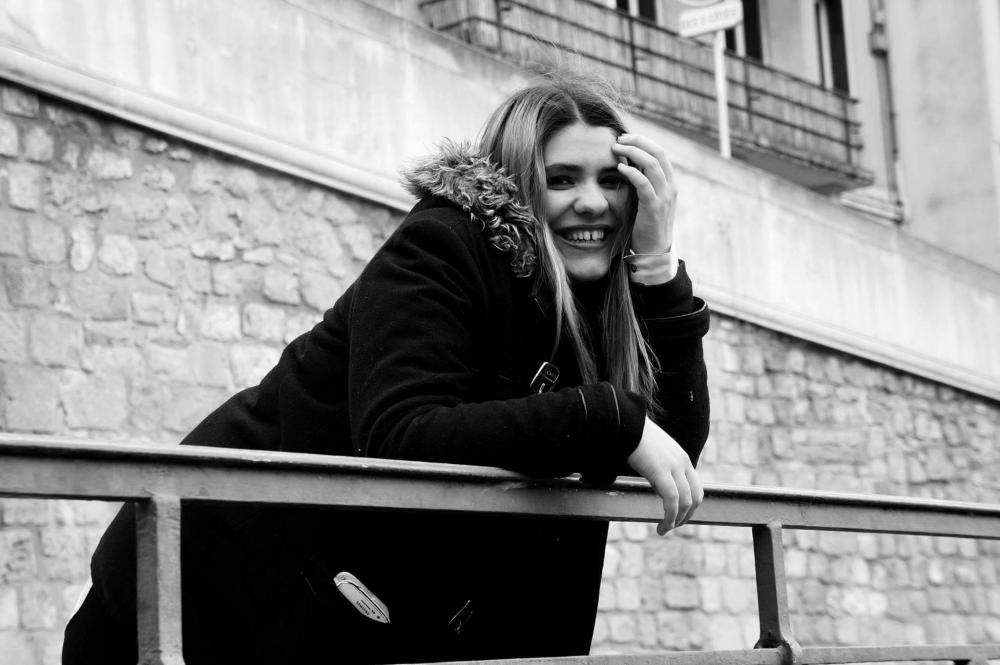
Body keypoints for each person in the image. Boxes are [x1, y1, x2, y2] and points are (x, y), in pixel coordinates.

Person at [63, 72, 710, 664]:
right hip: (215, 609)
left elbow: (671, 448)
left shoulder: (601, 300)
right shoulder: (442, 247)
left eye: (612, 181)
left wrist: (656, 267)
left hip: (366, 623)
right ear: (519, 183)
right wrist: (604, 417)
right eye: (562, 179)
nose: (593, 203)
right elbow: (403, 433)